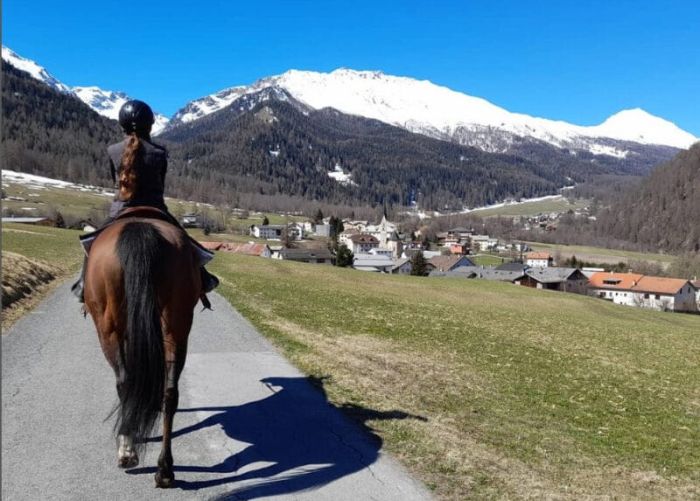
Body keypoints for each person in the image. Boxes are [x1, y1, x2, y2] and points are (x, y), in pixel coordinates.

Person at [71, 100, 219, 302]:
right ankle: (204, 278)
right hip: (156, 207)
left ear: (122, 124)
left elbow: (115, 181)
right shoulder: (159, 153)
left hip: (120, 209)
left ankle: (82, 284)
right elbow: (161, 183)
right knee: (185, 243)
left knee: (94, 243)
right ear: (150, 124)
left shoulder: (113, 151)